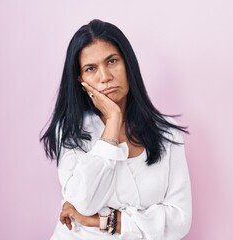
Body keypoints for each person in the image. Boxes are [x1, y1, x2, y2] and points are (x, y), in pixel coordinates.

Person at [40, 19, 192, 240]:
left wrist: (98, 221)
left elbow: (179, 221)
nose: (105, 77)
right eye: (91, 69)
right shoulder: (70, 132)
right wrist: (112, 121)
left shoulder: (168, 135)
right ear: (80, 79)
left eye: (112, 61)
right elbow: (83, 203)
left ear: (128, 64)